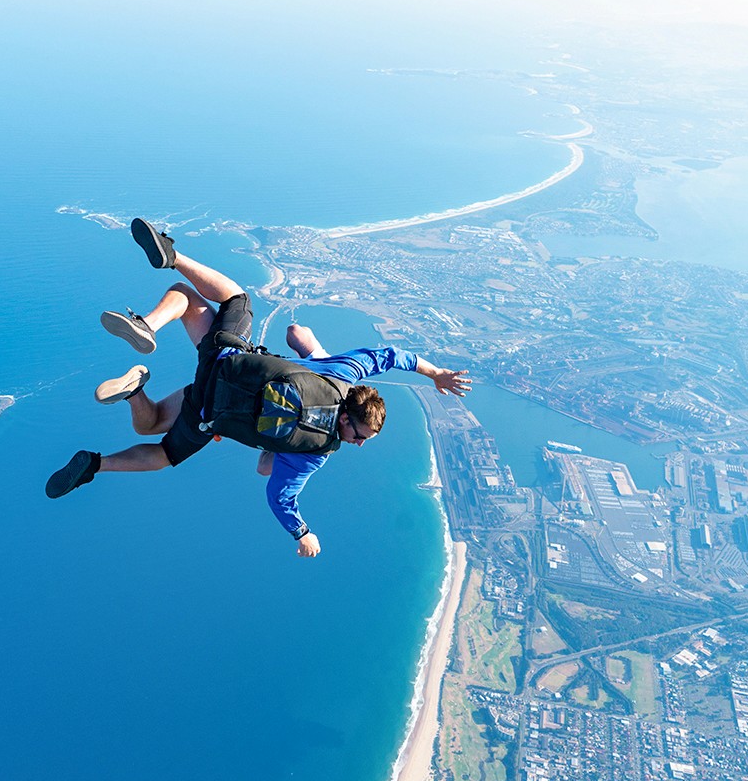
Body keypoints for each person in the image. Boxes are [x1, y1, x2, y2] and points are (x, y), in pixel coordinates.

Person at [47, 217, 472, 558]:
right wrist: (301, 533)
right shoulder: (314, 454)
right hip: (208, 412)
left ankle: (159, 293)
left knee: (227, 299)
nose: (358, 444)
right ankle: (102, 453)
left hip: (225, 358)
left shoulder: (346, 372)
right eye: (359, 436)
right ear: (347, 420)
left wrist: (435, 375)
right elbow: (276, 492)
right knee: (158, 445)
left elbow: (395, 356)